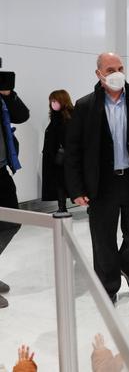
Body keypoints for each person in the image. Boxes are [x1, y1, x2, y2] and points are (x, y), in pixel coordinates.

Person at [65, 52, 129, 304]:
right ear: (98, 74)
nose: (117, 73)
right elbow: (73, 150)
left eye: (120, 67)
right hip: (102, 184)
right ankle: (109, 285)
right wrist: (76, 189)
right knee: (103, 240)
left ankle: (128, 267)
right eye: (110, 69)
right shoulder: (85, 106)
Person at [0, 71, 29, 310]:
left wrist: (8, 94)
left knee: (13, 221)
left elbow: (23, 115)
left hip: (1, 170)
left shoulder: (1, 97)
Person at [42, 90, 74, 213]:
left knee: (69, 182)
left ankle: (90, 206)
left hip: (67, 158)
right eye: (51, 101)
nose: (52, 103)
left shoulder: (71, 116)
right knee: (59, 183)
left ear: (63, 101)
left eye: (55, 100)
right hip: (56, 158)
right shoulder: (55, 117)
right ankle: (62, 207)